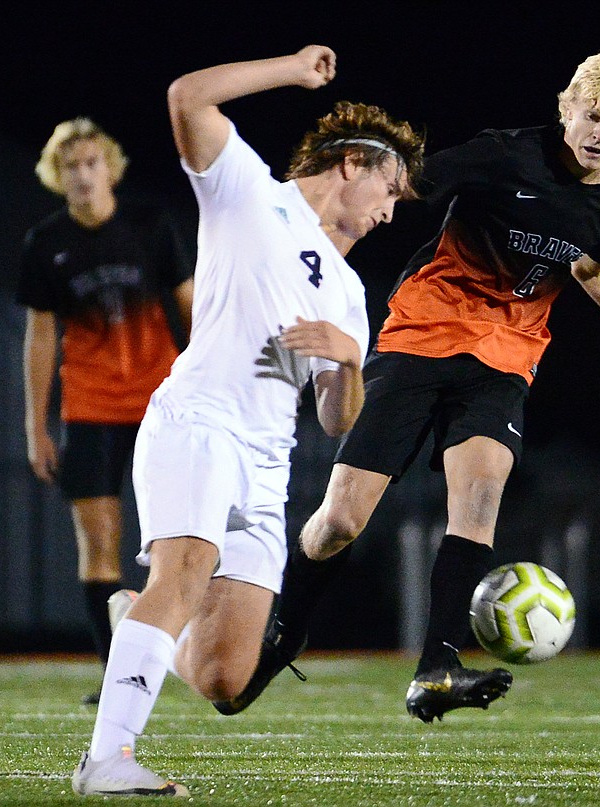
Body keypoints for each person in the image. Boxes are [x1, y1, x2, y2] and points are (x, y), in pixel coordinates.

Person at [217, 43, 600, 724]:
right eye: (593, 116)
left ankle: (435, 665)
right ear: (567, 107)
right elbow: (398, 183)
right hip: (423, 334)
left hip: (505, 358)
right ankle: (289, 627)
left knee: (481, 492)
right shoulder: (505, 156)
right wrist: (307, 234)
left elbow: (595, 270)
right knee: (341, 520)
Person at [70, 45, 425, 797]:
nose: (392, 209)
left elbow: (337, 420)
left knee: (226, 677)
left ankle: (134, 614)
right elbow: (187, 95)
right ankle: (108, 759)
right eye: (390, 187)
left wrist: (350, 364)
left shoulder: (353, 294)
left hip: (266, 466)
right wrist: (293, 70)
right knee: (187, 571)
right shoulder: (250, 193)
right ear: (351, 164)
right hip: (199, 421)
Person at [17, 118, 194, 705]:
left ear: (111, 168)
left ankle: (192, 651)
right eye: (71, 166)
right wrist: (35, 423)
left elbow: (193, 309)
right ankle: (115, 671)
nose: (83, 175)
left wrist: (208, 389)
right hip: (90, 407)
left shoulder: (151, 225)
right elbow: (41, 336)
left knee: (179, 539)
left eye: (92, 163)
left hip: (161, 404)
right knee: (98, 544)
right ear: (55, 176)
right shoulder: (46, 243)